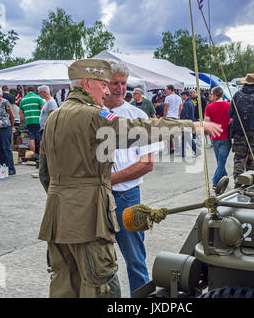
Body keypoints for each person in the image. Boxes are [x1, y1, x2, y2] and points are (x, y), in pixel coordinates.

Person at [37, 58, 222, 298]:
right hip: (89, 215)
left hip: (57, 215)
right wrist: (191, 126)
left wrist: (63, 195)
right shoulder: (93, 115)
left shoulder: (55, 116)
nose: (106, 91)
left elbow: (44, 173)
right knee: (100, 283)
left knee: (65, 285)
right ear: (86, 83)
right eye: (103, 85)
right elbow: (138, 128)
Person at [104, 59, 161, 297]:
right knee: (97, 259)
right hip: (95, 196)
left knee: (136, 260)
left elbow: (146, 164)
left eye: (123, 83)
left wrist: (108, 179)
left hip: (126, 197)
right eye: (114, 83)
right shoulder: (89, 114)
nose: (119, 88)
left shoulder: (138, 117)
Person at [229, 73, 254, 182]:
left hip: (239, 131)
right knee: (253, 158)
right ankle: (250, 180)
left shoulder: (237, 95)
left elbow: (231, 114)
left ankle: (238, 180)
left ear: (244, 83)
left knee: (239, 158)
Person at [205, 87, 231, 189]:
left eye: (212, 94)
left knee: (220, 160)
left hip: (214, 137)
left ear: (215, 95)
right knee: (221, 160)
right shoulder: (229, 105)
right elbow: (232, 120)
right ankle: (224, 177)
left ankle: (215, 181)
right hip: (226, 136)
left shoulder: (209, 107)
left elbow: (206, 122)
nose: (211, 96)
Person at [0, 87, 16, 175]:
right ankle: (3, 167)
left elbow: (12, 116)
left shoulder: (5, 102)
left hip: (5, 128)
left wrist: (11, 127)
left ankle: (11, 168)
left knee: (6, 148)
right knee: (0, 149)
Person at [19, 86, 44, 166]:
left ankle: (34, 154)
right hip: (38, 121)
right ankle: (40, 155)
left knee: (31, 137)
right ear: (34, 91)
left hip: (29, 121)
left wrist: (24, 120)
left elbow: (20, 113)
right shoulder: (38, 98)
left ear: (27, 91)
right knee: (40, 137)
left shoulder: (23, 100)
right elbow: (43, 109)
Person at [163, 85, 183, 154]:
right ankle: (176, 147)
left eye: (166, 90)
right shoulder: (179, 98)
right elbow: (181, 108)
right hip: (176, 117)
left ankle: (172, 148)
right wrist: (178, 115)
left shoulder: (167, 98)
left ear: (170, 89)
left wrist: (164, 117)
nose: (165, 92)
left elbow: (166, 108)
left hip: (169, 116)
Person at [180, 90, 197, 157]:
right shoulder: (191, 102)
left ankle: (196, 150)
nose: (181, 96)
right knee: (185, 137)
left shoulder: (187, 103)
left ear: (185, 95)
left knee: (187, 138)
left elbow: (185, 114)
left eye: (182, 95)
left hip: (186, 122)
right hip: (190, 121)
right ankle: (183, 152)